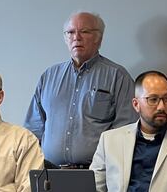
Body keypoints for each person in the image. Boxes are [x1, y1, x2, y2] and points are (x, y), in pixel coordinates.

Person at [25, 11, 137, 168]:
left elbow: (126, 130)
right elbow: (33, 129)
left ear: (99, 38)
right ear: (65, 38)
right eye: (70, 32)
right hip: (50, 174)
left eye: (84, 31)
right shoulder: (49, 76)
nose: (76, 37)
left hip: (96, 174)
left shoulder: (118, 77)